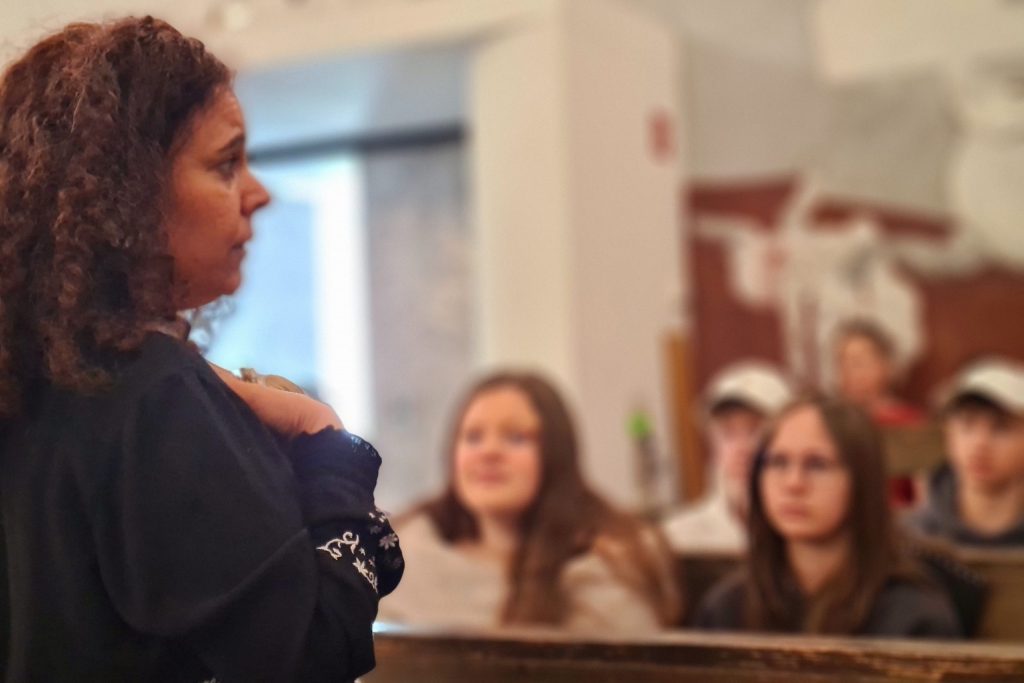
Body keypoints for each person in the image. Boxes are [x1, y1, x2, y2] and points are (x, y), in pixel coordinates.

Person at [0, 17, 401, 681]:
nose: (258, 193)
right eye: (225, 163)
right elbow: (312, 654)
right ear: (126, 194)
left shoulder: (33, 377)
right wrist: (326, 441)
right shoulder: (150, 393)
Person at [377, 371, 680, 632]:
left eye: (516, 437)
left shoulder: (610, 567)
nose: (489, 452)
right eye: (473, 437)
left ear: (555, 454)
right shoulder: (405, 560)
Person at [694, 396, 960, 638]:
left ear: (862, 478)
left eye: (817, 464)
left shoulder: (914, 616)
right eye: (778, 462)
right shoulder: (727, 609)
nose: (793, 483)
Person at [662, 362, 792, 552]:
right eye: (728, 433)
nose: (742, 447)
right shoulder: (679, 538)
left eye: (756, 431)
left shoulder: (806, 537)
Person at [904, 359, 1024, 547]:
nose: (980, 443)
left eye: (1001, 427)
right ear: (948, 434)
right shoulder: (914, 535)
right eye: (967, 424)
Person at [834, 319, 926, 507]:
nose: (847, 372)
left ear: (886, 366)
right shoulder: (833, 422)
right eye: (841, 363)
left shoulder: (909, 422)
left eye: (857, 363)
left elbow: (922, 494)